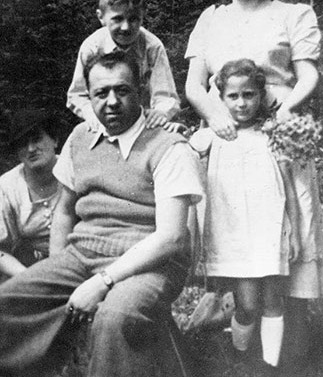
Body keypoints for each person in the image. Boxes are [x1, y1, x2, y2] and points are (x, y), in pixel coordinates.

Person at [0, 50, 203, 377]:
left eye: (121, 90)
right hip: (84, 253)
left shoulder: (169, 147)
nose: (111, 101)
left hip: (151, 261)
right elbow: (65, 210)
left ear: (140, 89)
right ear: (89, 96)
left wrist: (103, 281)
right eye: (100, 93)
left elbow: (171, 238)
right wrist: (58, 268)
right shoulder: (80, 138)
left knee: (115, 319)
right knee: (8, 302)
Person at [185, 0, 323, 376]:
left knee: (288, 230)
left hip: (279, 133)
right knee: (236, 232)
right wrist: (215, 116)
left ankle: (288, 348)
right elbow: (194, 83)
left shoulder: (292, 13)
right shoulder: (212, 19)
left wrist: (284, 109)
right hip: (227, 132)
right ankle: (243, 342)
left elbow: (306, 75)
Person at [190, 59, 300, 375]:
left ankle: (269, 363)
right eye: (233, 96)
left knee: (273, 302)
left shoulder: (271, 135)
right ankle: (239, 354)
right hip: (235, 234)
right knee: (248, 304)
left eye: (249, 94)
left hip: (270, 229)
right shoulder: (214, 135)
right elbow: (181, 149)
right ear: (221, 100)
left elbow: (287, 188)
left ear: (260, 96)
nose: (242, 103)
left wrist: (290, 230)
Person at [67, 0, 180, 131]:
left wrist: (160, 112)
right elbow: (77, 94)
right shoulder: (92, 47)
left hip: (143, 122)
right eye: (117, 19)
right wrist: (93, 115)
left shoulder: (152, 46)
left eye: (133, 19)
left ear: (143, 16)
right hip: (104, 120)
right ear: (101, 17)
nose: (126, 27)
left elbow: (165, 95)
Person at [0, 109, 62, 278]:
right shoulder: (7, 186)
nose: (31, 149)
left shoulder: (74, 170)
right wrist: (29, 279)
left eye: (37, 139)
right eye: (22, 144)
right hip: (27, 267)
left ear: (55, 140)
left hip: (79, 260)